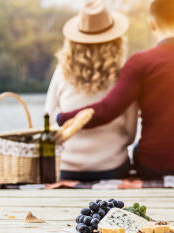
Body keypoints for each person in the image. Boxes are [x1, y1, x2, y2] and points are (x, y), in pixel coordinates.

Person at [57, 0, 174, 179]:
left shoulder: (139, 63)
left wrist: (62, 118)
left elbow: (108, 110)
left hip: (152, 166)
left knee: (140, 150)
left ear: (152, 24)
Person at [45, 0, 138, 181]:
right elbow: (131, 133)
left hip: (66, 167)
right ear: (116, 40)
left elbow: (48, 122)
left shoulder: (61, 72)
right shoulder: (124, 75)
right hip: (111, 167)